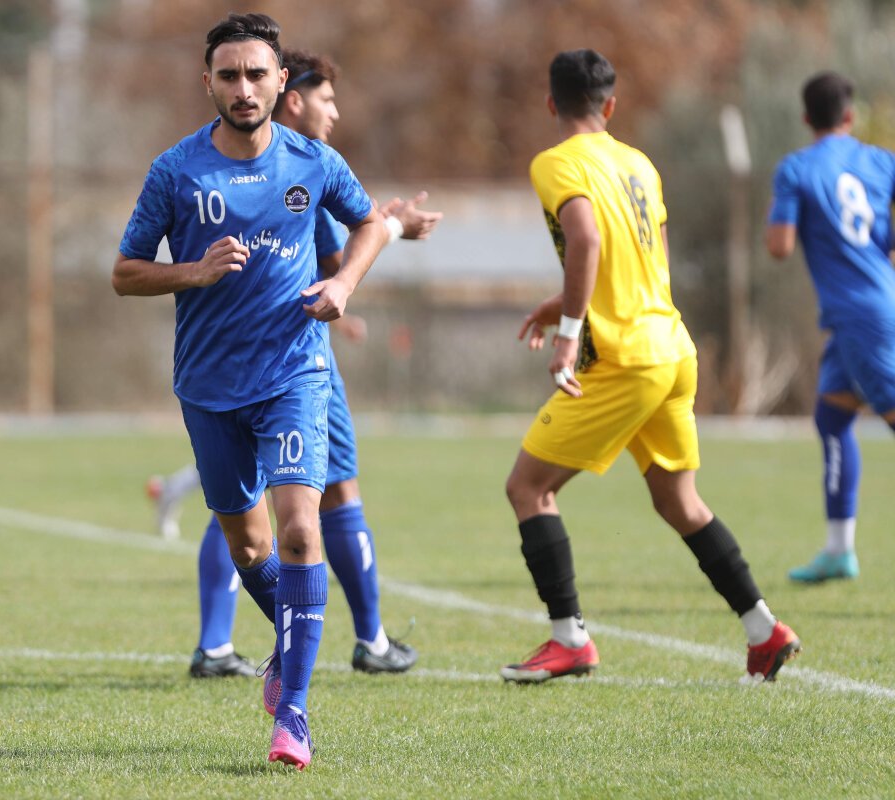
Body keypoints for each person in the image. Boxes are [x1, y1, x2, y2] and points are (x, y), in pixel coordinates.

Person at [113, 13, 386, 769]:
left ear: (280, 82)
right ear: (208, 82)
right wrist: (193, 271)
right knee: (252, 546)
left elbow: (369, 225)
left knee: (300, 533)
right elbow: (125, 272)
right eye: (229, 75)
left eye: (257, 74)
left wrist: (343, 283)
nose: (243, 88)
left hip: (295, 372)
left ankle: (293, 713)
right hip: (208, 386)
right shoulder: (176, 172)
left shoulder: (313, 161)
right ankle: (287, 654)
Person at [500, 49, 801, 684]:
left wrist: (568, 336)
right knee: (678, 500)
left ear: (552, 103)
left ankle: (569, 639)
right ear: (610, 106)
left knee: (529, 488)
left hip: (625, 359)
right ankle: (764, 630)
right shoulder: (640, 163)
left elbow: (586, 239)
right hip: (672, 348)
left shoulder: (556, 162)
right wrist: (564, 302)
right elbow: (648, 264)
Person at [157, 49, 442, 682]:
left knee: (247, 507)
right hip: (290, 362)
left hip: (270, 355)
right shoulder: (281, 167)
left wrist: (348, 278)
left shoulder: (299, 169)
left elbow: (323, 262)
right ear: (293, 97)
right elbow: (335, 257)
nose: (334, 112)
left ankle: (218, 644)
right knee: (328, 490)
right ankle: (367, 638)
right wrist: (392, 229)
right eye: (326, 99)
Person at [766, 71, 895, 583]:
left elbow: (778, 246)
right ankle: (840, 551)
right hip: (866, 311)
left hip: (860, 316)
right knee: (832, 418)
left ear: (805, 118)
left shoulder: (796, 169)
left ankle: (841, 550)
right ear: (850, 115)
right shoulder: (881, 161)